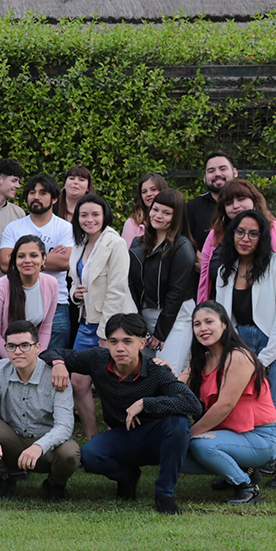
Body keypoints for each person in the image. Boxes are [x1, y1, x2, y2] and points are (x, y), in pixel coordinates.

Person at [42, 313, 204, 515]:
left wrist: (146, 403)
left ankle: (165, 494)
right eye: (114, 341)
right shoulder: (98, 359)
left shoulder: (156, 371)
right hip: (123, 435)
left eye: (128, 341)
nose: (120, 348)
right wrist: (58, 363)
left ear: (142, 342)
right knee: (90, 454)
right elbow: (50, 352)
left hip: (158, 437)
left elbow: (192, 404)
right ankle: (127, 477)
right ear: (106, 344)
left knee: (178, 423)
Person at [212, 209, 276, 487]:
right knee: (244, 407)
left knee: (265, 408)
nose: (245, 238)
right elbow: (224, 316)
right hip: (241, 341)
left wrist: (265, 357)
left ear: (263, 237)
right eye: (240, 231)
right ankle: (245, 470)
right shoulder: (225, 268)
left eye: (253, 233)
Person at [177, 302, 276, 505]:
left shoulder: (239, 357)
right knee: (171, 452)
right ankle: (242, 470)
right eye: (197, 324)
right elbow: (176, 387)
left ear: (224, 324)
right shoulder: (203, 359)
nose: (203, 328)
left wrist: (190, 433)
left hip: (260, 436)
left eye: (209, 322)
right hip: (230, 435)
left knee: (200, 446)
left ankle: (245, 486)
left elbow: (224, 405)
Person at [0, 320, 79, 503]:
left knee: (70, 452)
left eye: (24, 345)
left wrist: (39, 446)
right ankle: (2, 480)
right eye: (12, 346)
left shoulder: (56, 374)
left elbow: (65, 426)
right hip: (12, 440)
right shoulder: (0, 368)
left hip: (45, 448)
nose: (18, 351)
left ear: (37, 347)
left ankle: (55, 485)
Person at [68, 194, 135, 436]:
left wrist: (107, 333)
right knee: (78, 381)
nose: (89, 219)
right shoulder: (80, 242)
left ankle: (121, 433)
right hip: (86, 322)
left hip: (113, 325)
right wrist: (74, 294)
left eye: (95, 214)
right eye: (84, 215)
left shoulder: (114, 243)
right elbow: (76, 281)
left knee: (115, 382)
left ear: (104, 215)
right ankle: (92, 435)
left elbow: (117, 290)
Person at [0, 173, 74, 349]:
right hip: (19, 301)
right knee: (20, 357)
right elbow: (4, 263)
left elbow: (66, 262)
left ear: (54, 199)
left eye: (42, 193)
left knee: (53, 362)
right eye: (32, 192)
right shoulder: (14, 227)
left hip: (57, 305)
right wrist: (48, 256)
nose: (36, 197)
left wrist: (23, 261)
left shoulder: (64, 227)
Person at [196, 179, 276, 303]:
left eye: (241, 199)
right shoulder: (215, 235)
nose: (235, 205)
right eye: (229, 202)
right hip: (224, 316)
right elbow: (205, 280)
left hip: (269, 315)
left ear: (254, 200)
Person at [128, 189, 196, 374]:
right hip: (144, 315)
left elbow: (177, 292)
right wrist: (139, 322)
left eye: (167, 213)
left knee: (166, 374)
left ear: (176, 217)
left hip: (175, 317)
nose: (158, 216)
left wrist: (160, 332)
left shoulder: (182, 248)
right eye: (155, 209)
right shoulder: (137, 244)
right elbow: (131, 285)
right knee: (145, 374)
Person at [0, 236, 57, 369]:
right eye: (21, 256)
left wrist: (37, 359)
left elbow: (46, 328)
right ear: (14, 260)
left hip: (24, 345)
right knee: (7, 387)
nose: (27, 260)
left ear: (43, 259)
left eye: (33, 255)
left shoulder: (51, 284)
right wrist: (18, 361)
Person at [186, 152, 237, 252]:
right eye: (211, 171)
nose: (217, 174)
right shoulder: (192, 207)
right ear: (205, 177)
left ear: (234, 172)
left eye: (223, 169)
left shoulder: (250, 202)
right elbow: (184, 240)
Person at [121, 173, 167, 247]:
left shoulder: (172, 219)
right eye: (144, 191)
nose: (148, 194)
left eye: (153, 189)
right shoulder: (132, 223)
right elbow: (126, 255)